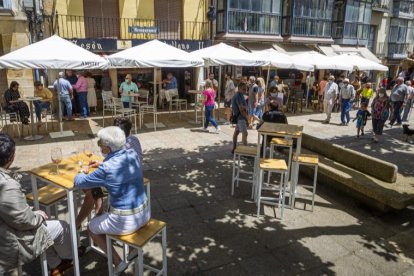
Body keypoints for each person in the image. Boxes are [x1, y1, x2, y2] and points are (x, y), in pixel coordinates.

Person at [74, 127, 150, 274]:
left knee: (91, 227)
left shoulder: (107, 168)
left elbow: (80, 183)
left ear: (107, 147)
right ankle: (133, 249)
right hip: (145, 214)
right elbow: (118, 169)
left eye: (100, 143)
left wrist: (81, 171)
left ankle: (118, 262)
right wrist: (101, 165)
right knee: (106, 212)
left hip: (126, 221)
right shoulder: (132, 154)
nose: (99, 145)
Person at [0, 133, 73, 275]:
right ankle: (68, 260)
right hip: (8, 240)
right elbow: (24, 221)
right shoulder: (6, 185)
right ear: (12, 157)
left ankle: (56, 265)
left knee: (44, 226)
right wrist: (37, 215)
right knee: (61, 227)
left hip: (6, 227)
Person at [231, 81, 249, 154]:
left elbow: (243, 107)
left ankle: (234, 148)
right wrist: (247, 119)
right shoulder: (238, 95)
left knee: (236, 132)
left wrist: (245, 107)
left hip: (240, 117)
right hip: (240, 117)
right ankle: (244, 151)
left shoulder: (241, 95)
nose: (245, 91)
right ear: (239, 88)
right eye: (244, 89)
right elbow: (241, 109)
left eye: (246, 89)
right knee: (245, 133)